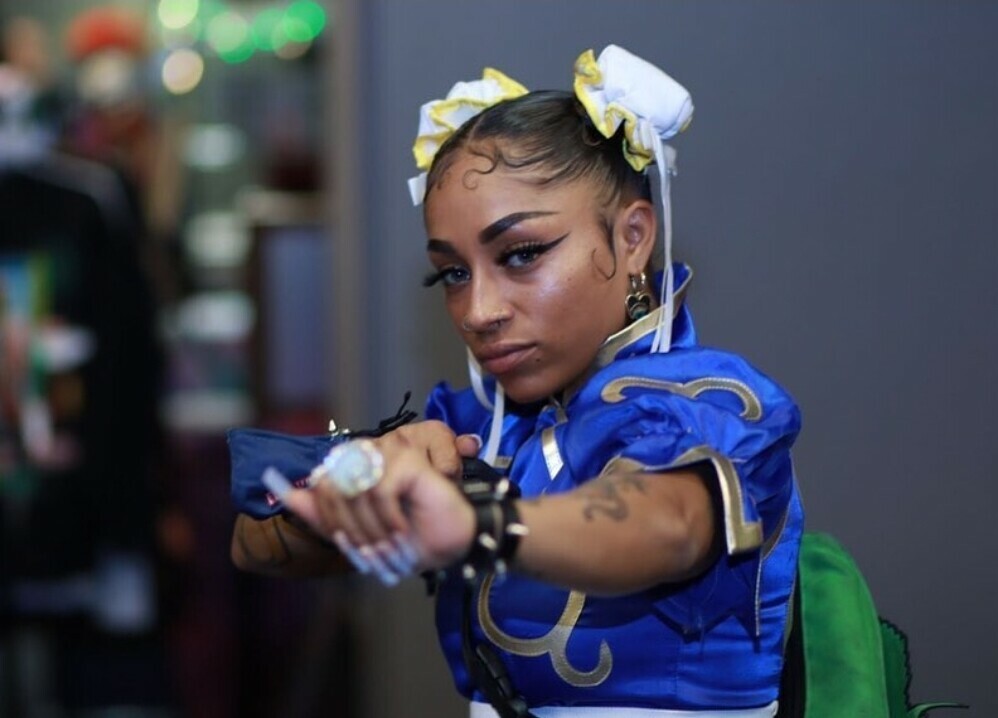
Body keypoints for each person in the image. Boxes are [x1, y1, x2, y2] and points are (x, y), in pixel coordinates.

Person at [231, 45, 803, 718]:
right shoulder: (478, 426)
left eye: (522, 254)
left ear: (632, 237)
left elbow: (669, 524)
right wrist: (359, 480)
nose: (477, 312)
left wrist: (479, 524)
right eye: (453, 273)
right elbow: (253, 544)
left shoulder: (709, 404)